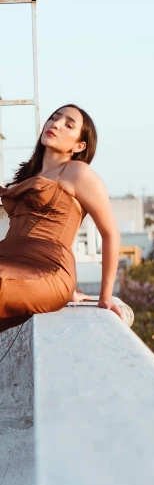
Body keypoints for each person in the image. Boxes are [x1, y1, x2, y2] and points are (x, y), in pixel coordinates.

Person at [0, 103, 130, 332]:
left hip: (46, 270)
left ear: (79, 145)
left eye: (68, 125)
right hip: (7, 259)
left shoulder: (79, 173)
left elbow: (110, 233)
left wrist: (105, 296)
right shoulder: (28, 176)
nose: (56, 124)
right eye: (54, 118)